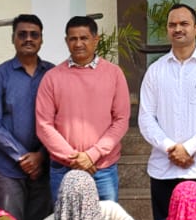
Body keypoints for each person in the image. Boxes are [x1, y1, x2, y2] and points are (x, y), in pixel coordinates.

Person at [140, 2, 196, 220]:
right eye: (172, 25)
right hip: (164, 168)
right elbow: (145, 117)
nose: (178, 29)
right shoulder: (155, 70)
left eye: (184, 23)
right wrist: (170, 148)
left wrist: (189, 148)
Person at [35, 15, 130, 202]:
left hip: (102, 169)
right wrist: (76, 159)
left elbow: (121, 119)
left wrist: (92, 155)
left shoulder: (114, 74)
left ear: (96, 40)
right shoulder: (52, 77)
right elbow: (44, 125)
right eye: (73, 39)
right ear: (66, 41)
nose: (78, 44)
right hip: (63, 169)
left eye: (84, 38)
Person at [0, 14, 55, 220]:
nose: (28, 39)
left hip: (45, 166)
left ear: (41, 39)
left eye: (34, 34)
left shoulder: (53, 74)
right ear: (13, 38)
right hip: (8, 168)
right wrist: (23, 157)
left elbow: (60, 120)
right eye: (22, 34)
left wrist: (41, 156)